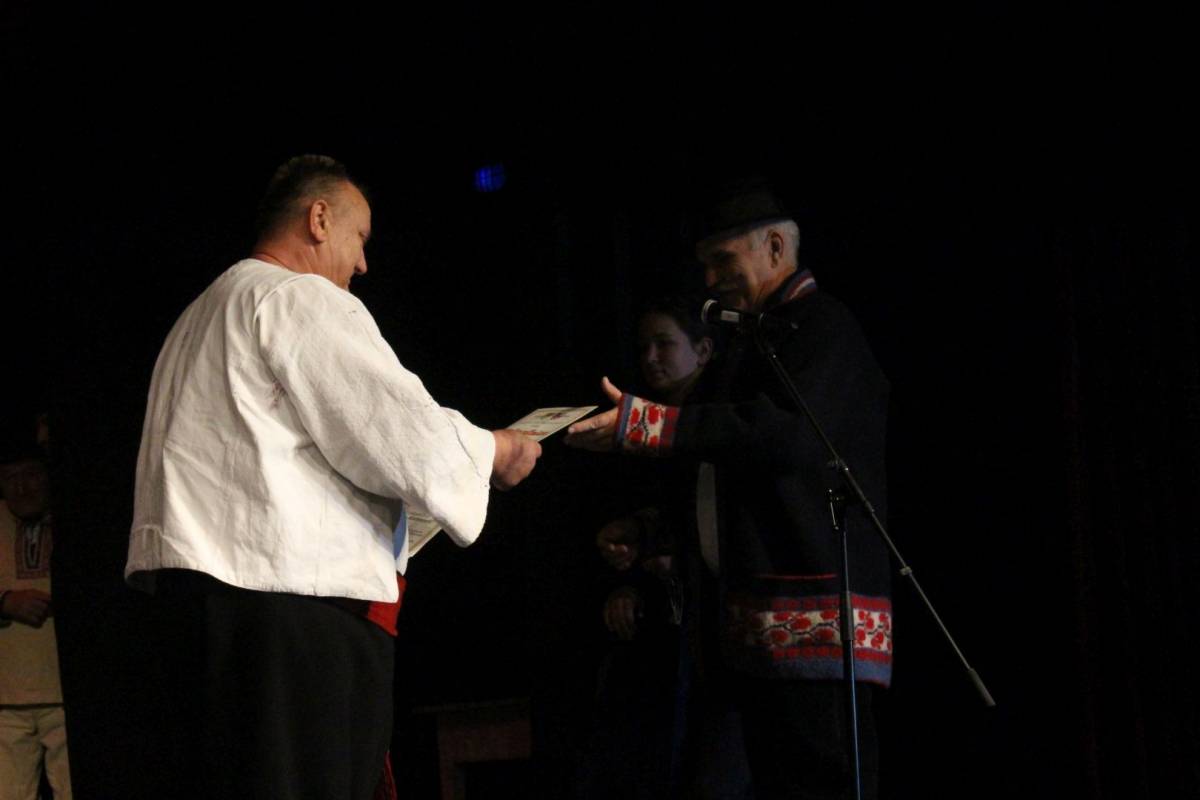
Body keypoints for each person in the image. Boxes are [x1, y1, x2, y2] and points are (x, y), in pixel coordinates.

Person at [125, 154, 541, 800]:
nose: (363, 264)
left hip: (198, 615)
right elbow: (398, 432)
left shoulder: (199, 315)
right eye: (359, 237)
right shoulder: (296, 297)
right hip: (290, 619)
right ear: (319, 219)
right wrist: (495, 451)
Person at [567, 177, 893, 800]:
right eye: (705, 266)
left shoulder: (823, 329)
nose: (712, 280)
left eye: (723, 260)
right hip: (750, 637)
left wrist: (648, 424)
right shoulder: (750, 343)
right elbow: (717, 474)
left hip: (818, 628)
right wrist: (647, 532)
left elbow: (782, 435)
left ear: (775, 248)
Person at [0, 420, 73, 799]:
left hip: (65, 693)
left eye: (30, 475)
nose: (22, 487)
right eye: (10, 478)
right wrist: (5, 602)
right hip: (6, 700)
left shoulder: (73, 519)